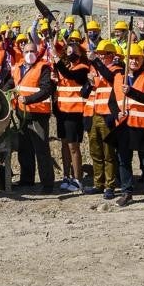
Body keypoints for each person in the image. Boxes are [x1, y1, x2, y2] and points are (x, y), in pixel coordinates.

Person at [110, 45, 144, 208]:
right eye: (131, 58)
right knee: (124, 162)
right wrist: (116, 113)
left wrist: (131, 92)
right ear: (126, 59)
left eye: (137, 58)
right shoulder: (118, 77)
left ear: (142, 60)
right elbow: (111, 101)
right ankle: (126, 193)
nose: (133, 61)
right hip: (124, 125)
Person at [5, 41, 58, 193]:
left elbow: (46, 89)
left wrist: (29, 100)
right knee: (24, 149)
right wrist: (3, 91)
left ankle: (47, 184)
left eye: (32, 51)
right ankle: (27, 180)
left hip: (38, 115)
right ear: (22, 52)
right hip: (22, 114)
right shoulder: (18, 67)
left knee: (41, 150)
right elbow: (11, 82)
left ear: (37, 52)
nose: (29, 54)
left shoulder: (44, 67)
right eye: (27, 51)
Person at [52, 33, 91, 192]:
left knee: (73, 147)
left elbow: (70, 76)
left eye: (74, 51)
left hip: (74, 112)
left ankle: (78, 179)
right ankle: (66, 175)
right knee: (64, 145)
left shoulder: (82, 68)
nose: (70, 53)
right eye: (68, 51)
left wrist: (57, 60)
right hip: (62, 112)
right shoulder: (65, 67)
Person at [85, 40, 121, 198]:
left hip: (107, 116)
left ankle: (110, 185)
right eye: (98, 54)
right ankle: (98, 183)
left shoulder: (117, 70)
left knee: (108, 153)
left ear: (111, 55)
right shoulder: (95, 70)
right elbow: (84, 93)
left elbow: (109, 76)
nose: (99, 56)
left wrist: (95, 61)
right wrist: (89, 83)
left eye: (102, 54)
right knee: (95, 151)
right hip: (94, 115)